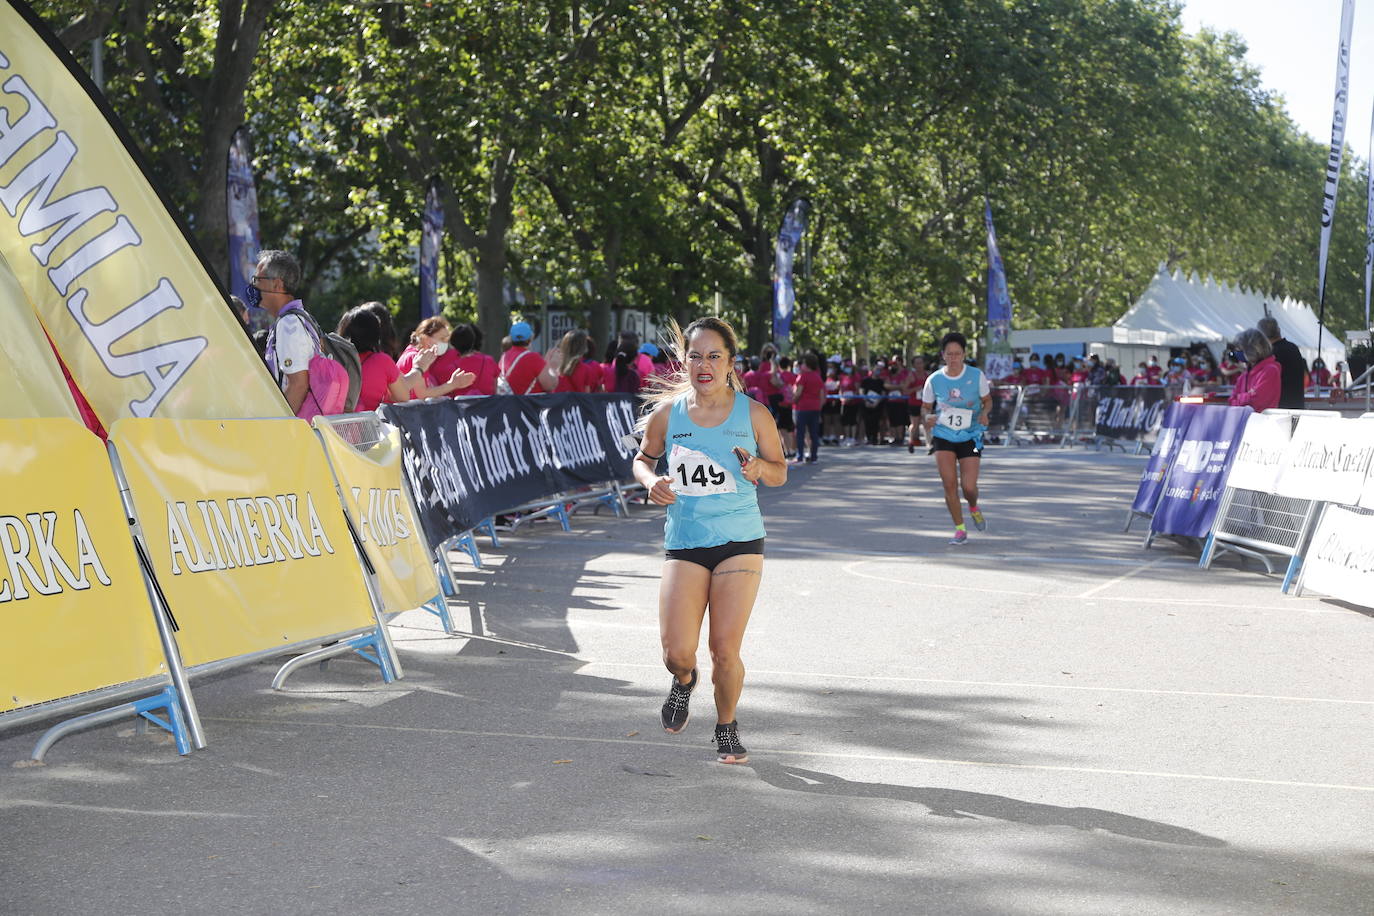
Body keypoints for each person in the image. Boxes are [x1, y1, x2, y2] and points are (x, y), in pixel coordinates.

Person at [632, 316, 787, 765]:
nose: (704, 365)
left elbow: (780, 471)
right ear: (684, 362)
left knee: (724, 648)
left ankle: (726, 726)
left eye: (714, 356)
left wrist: (759, 469)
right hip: (686, 540)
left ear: (730, 363)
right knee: (677, 652)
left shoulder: (754, 413)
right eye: (695, 355)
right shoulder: (669, 414)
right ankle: (683, 681)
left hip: (740, 540)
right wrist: (649, 481)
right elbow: (642, 458)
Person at [921, 332, 991, 546]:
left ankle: (973, 506)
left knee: (969, 487)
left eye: (957, 354)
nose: (953, 358)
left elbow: (987, 401)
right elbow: (925, 408)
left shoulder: (976, 375)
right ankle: (960, 529)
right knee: (949, 484)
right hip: (944, 435)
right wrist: (928, 419)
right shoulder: (934, 379)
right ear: (943, 355)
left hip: (971, 435)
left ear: (964, 354)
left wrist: (985, 413)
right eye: (949, 354)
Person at [337, 306, 474, 410]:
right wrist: (419, 369)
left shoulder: (335, 360)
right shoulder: (383, 360)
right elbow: (403, 395)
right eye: (442, 338)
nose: (446, 343)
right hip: (369, 437)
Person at [252, 250, 322, 415]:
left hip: (292, 431)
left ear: (276, 284)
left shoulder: (288, 324)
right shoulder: (298, 318)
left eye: (257, 279)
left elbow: (298, 384)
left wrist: (279, 427)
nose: (254, 286)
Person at [398, 317, 461, 399]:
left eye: (446, 340)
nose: (445, 344)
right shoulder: (415, 357)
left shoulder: (415, 354)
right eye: (442, 339)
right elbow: (422, 394)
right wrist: (452, 384)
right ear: (426, 339)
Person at [1257, 317, 1307, 409]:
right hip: (1297, 404)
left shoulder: (1270, 354)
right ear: (1278, 330)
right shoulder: (1293, 348)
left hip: (1279, 408)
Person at [1229, 328, 1281, 412]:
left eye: (1240, 349)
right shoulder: (1245, 374)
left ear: (1251, 349)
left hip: (1262, 422)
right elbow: (1231, 401)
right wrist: (1248, 396)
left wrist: (1239, 397)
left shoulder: (1270, 370)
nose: (1237, 352)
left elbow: (1257, 402)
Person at [536, 329, 604, 393]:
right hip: (577, 404)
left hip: (557, 404)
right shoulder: (586, 370)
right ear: (584, 348)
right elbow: (586, 396)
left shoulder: (555, 367)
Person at [791, 353, 825, 463]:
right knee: (813, 433)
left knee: (800, 432)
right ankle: (814, 456)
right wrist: (819, 407)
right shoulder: (818, 377)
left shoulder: (803, 376)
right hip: (815, 408)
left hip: (802, 408)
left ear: (807, 364)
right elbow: (822, 395)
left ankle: (800, 455)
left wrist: (793, 400)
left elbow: (798, 392)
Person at [451, 323, 499, 396]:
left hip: (461, 406)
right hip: (488, 406)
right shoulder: (489, 361)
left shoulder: (450, 366)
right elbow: (495, 390)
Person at [499, 321, 546, 394]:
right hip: (527, 404)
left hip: (507, 403)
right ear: (531, 337)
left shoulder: (504, 357)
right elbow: (550, 385)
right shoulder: (533, 357)